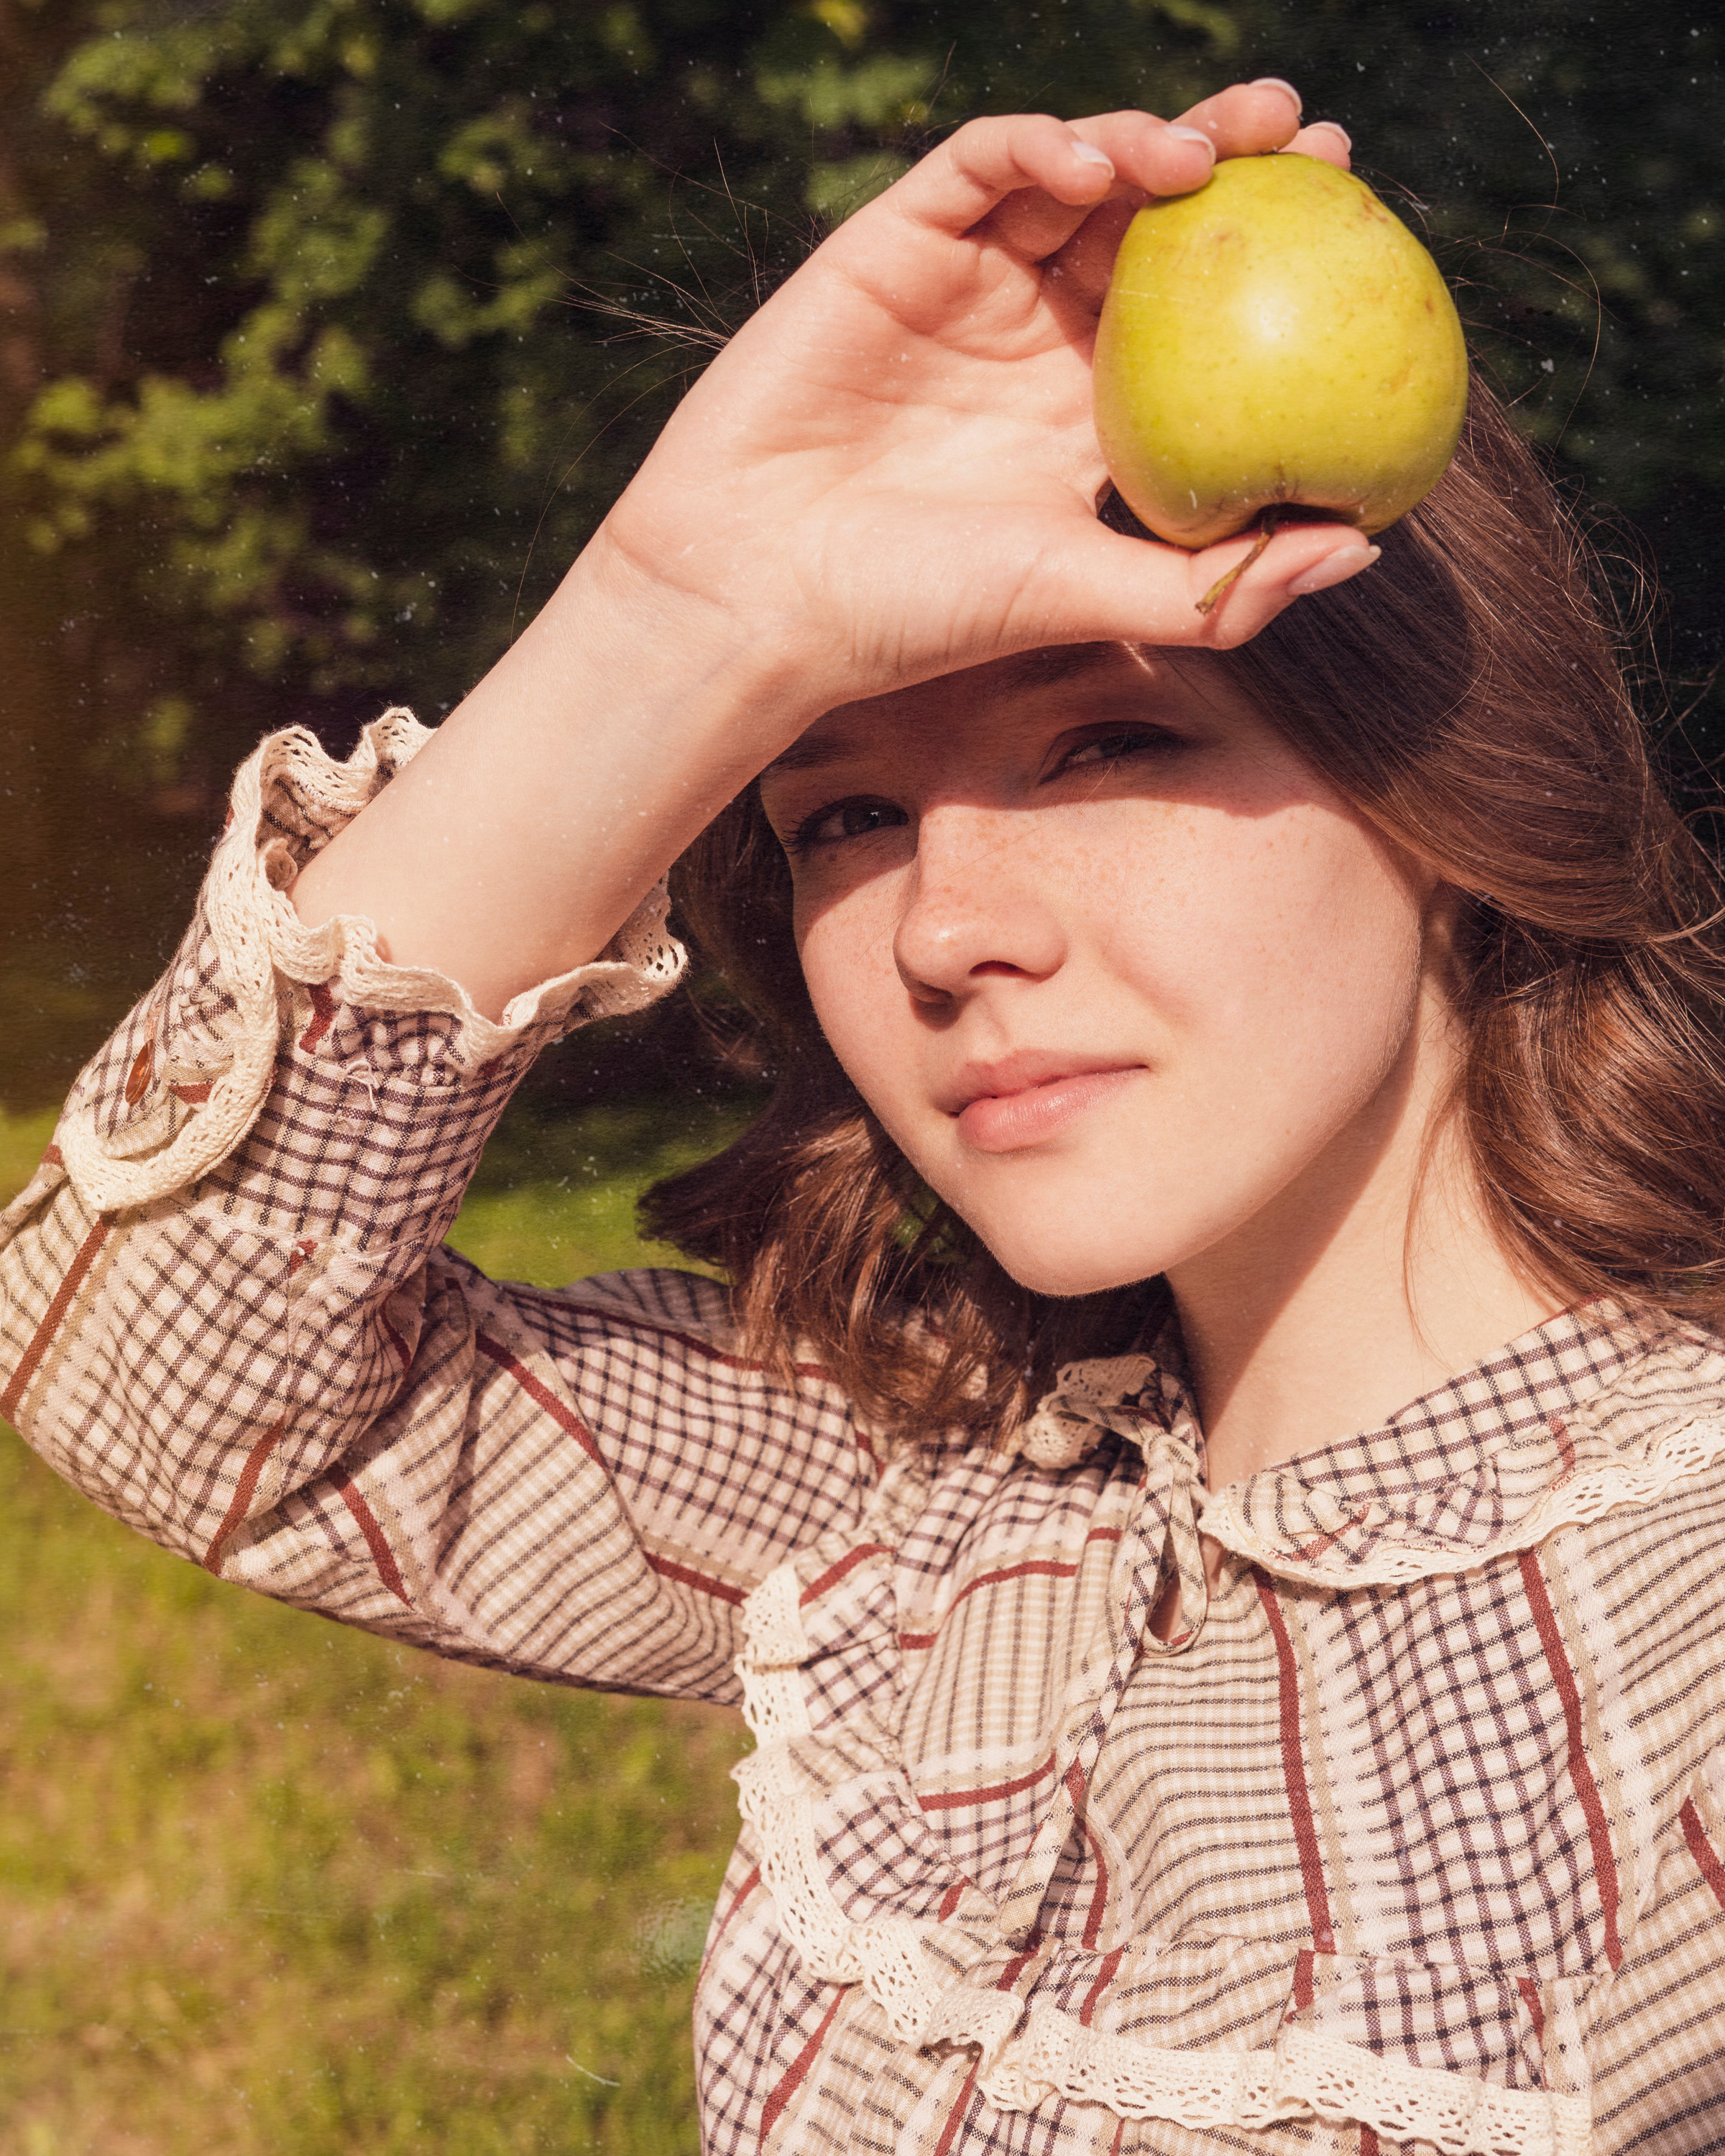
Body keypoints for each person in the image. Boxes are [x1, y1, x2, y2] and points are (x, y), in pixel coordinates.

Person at [2, 77, 1723, 2155]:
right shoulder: (913, 1483)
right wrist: (686, 617)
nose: (948, 931)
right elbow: (163, 1365)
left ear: (1441, 790)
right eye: (844, 817)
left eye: (1103, 743)